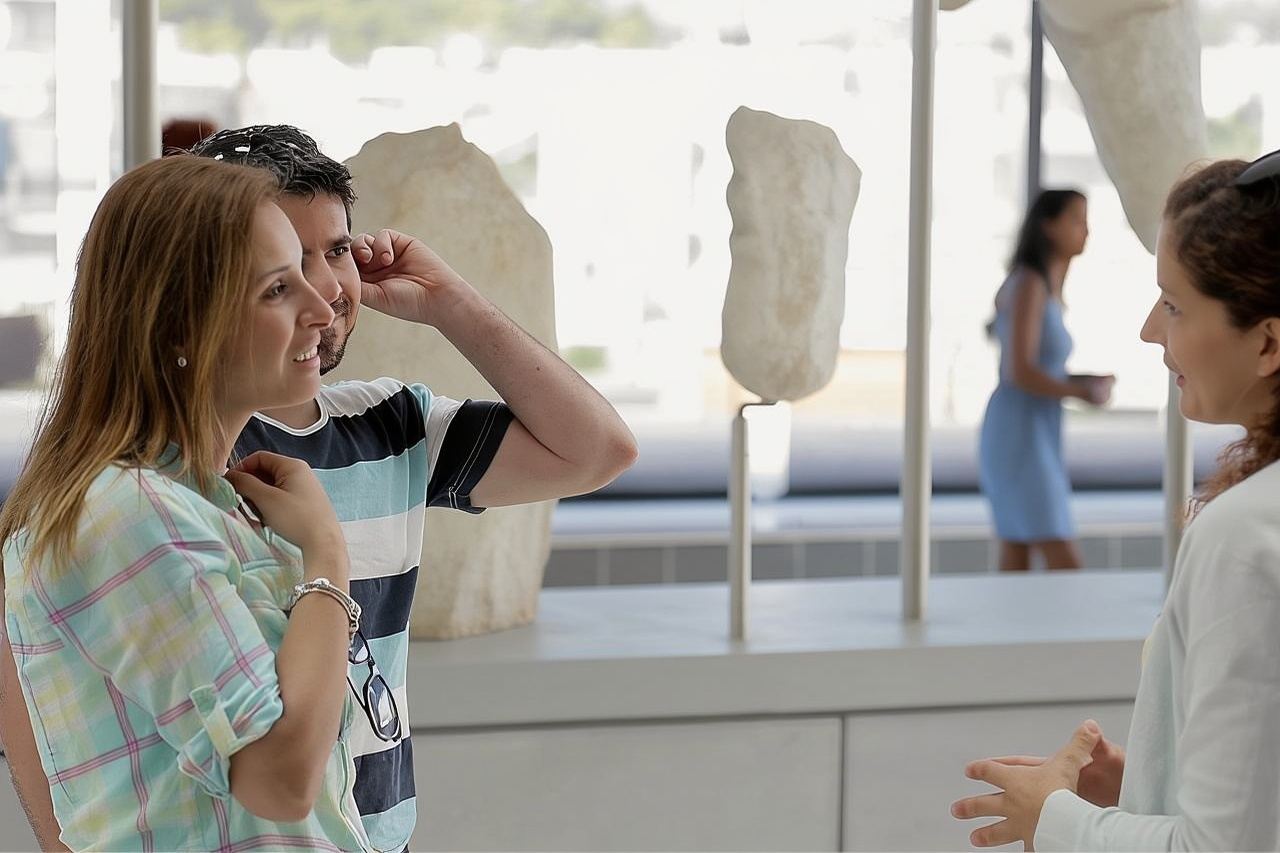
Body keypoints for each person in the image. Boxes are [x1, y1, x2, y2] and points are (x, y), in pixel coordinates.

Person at [0, 124, 640, 852]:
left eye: (335, 252)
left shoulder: (382, 426)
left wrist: (451, 301)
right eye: (282, 277)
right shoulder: (145, 500)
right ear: (186, 308)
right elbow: (55, 715)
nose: (326, 296)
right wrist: (327, 556)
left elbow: (598, 449)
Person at [0, 155, 371, 850]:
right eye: (277, 288)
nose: (322, 310)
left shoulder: (215, 507)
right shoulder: (125, 514)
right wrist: (328, 557)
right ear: (179, 327)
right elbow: (279, 781)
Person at [952, 149, 1280, 850]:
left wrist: (1054, 817)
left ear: (1268, 342)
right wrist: (1149, 782)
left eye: (1174, 305)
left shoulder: (1243, 534)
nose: (1150, 330)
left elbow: (1219, 847)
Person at [978, 189, 1115, 571]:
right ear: (1048, 226)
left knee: (1017, 548)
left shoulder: (1044, 286)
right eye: (1076, 220)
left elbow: (1039, 367)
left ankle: (1009, 614)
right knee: (1059, 550)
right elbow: (1019, 371)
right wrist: (1081, 392)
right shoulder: (1029, 284)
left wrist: (1083, 380)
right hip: (1019, 431)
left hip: (1034, 427)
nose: (1086, 230)